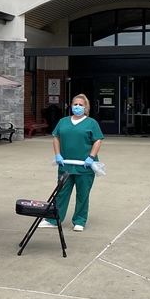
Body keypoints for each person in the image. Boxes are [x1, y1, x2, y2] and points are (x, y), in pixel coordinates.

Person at [51, 94, 104, 232]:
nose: (77, 107)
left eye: (81, 105)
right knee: (61, 192)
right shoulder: (63, 122)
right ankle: (54, 219)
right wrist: (57, 154)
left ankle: (79, 220)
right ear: (71, 106)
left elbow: (97, 140)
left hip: (84, 166)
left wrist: (91, 157)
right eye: (75, 104)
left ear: (86, 107)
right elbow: (56, 137)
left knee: (82, 194)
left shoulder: (91, 123)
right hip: (66, 164)